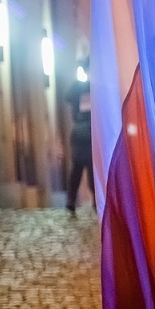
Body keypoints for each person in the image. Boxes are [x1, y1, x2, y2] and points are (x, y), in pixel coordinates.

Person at [64, 60, 92, 214]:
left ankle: (97, 200)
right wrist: (80, 84)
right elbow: (68, 96)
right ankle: (71, 200)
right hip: (80, 131)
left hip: (92, 131)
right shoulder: (77, 88)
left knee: (92, 169)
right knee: (77, 168)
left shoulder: (96, 86)